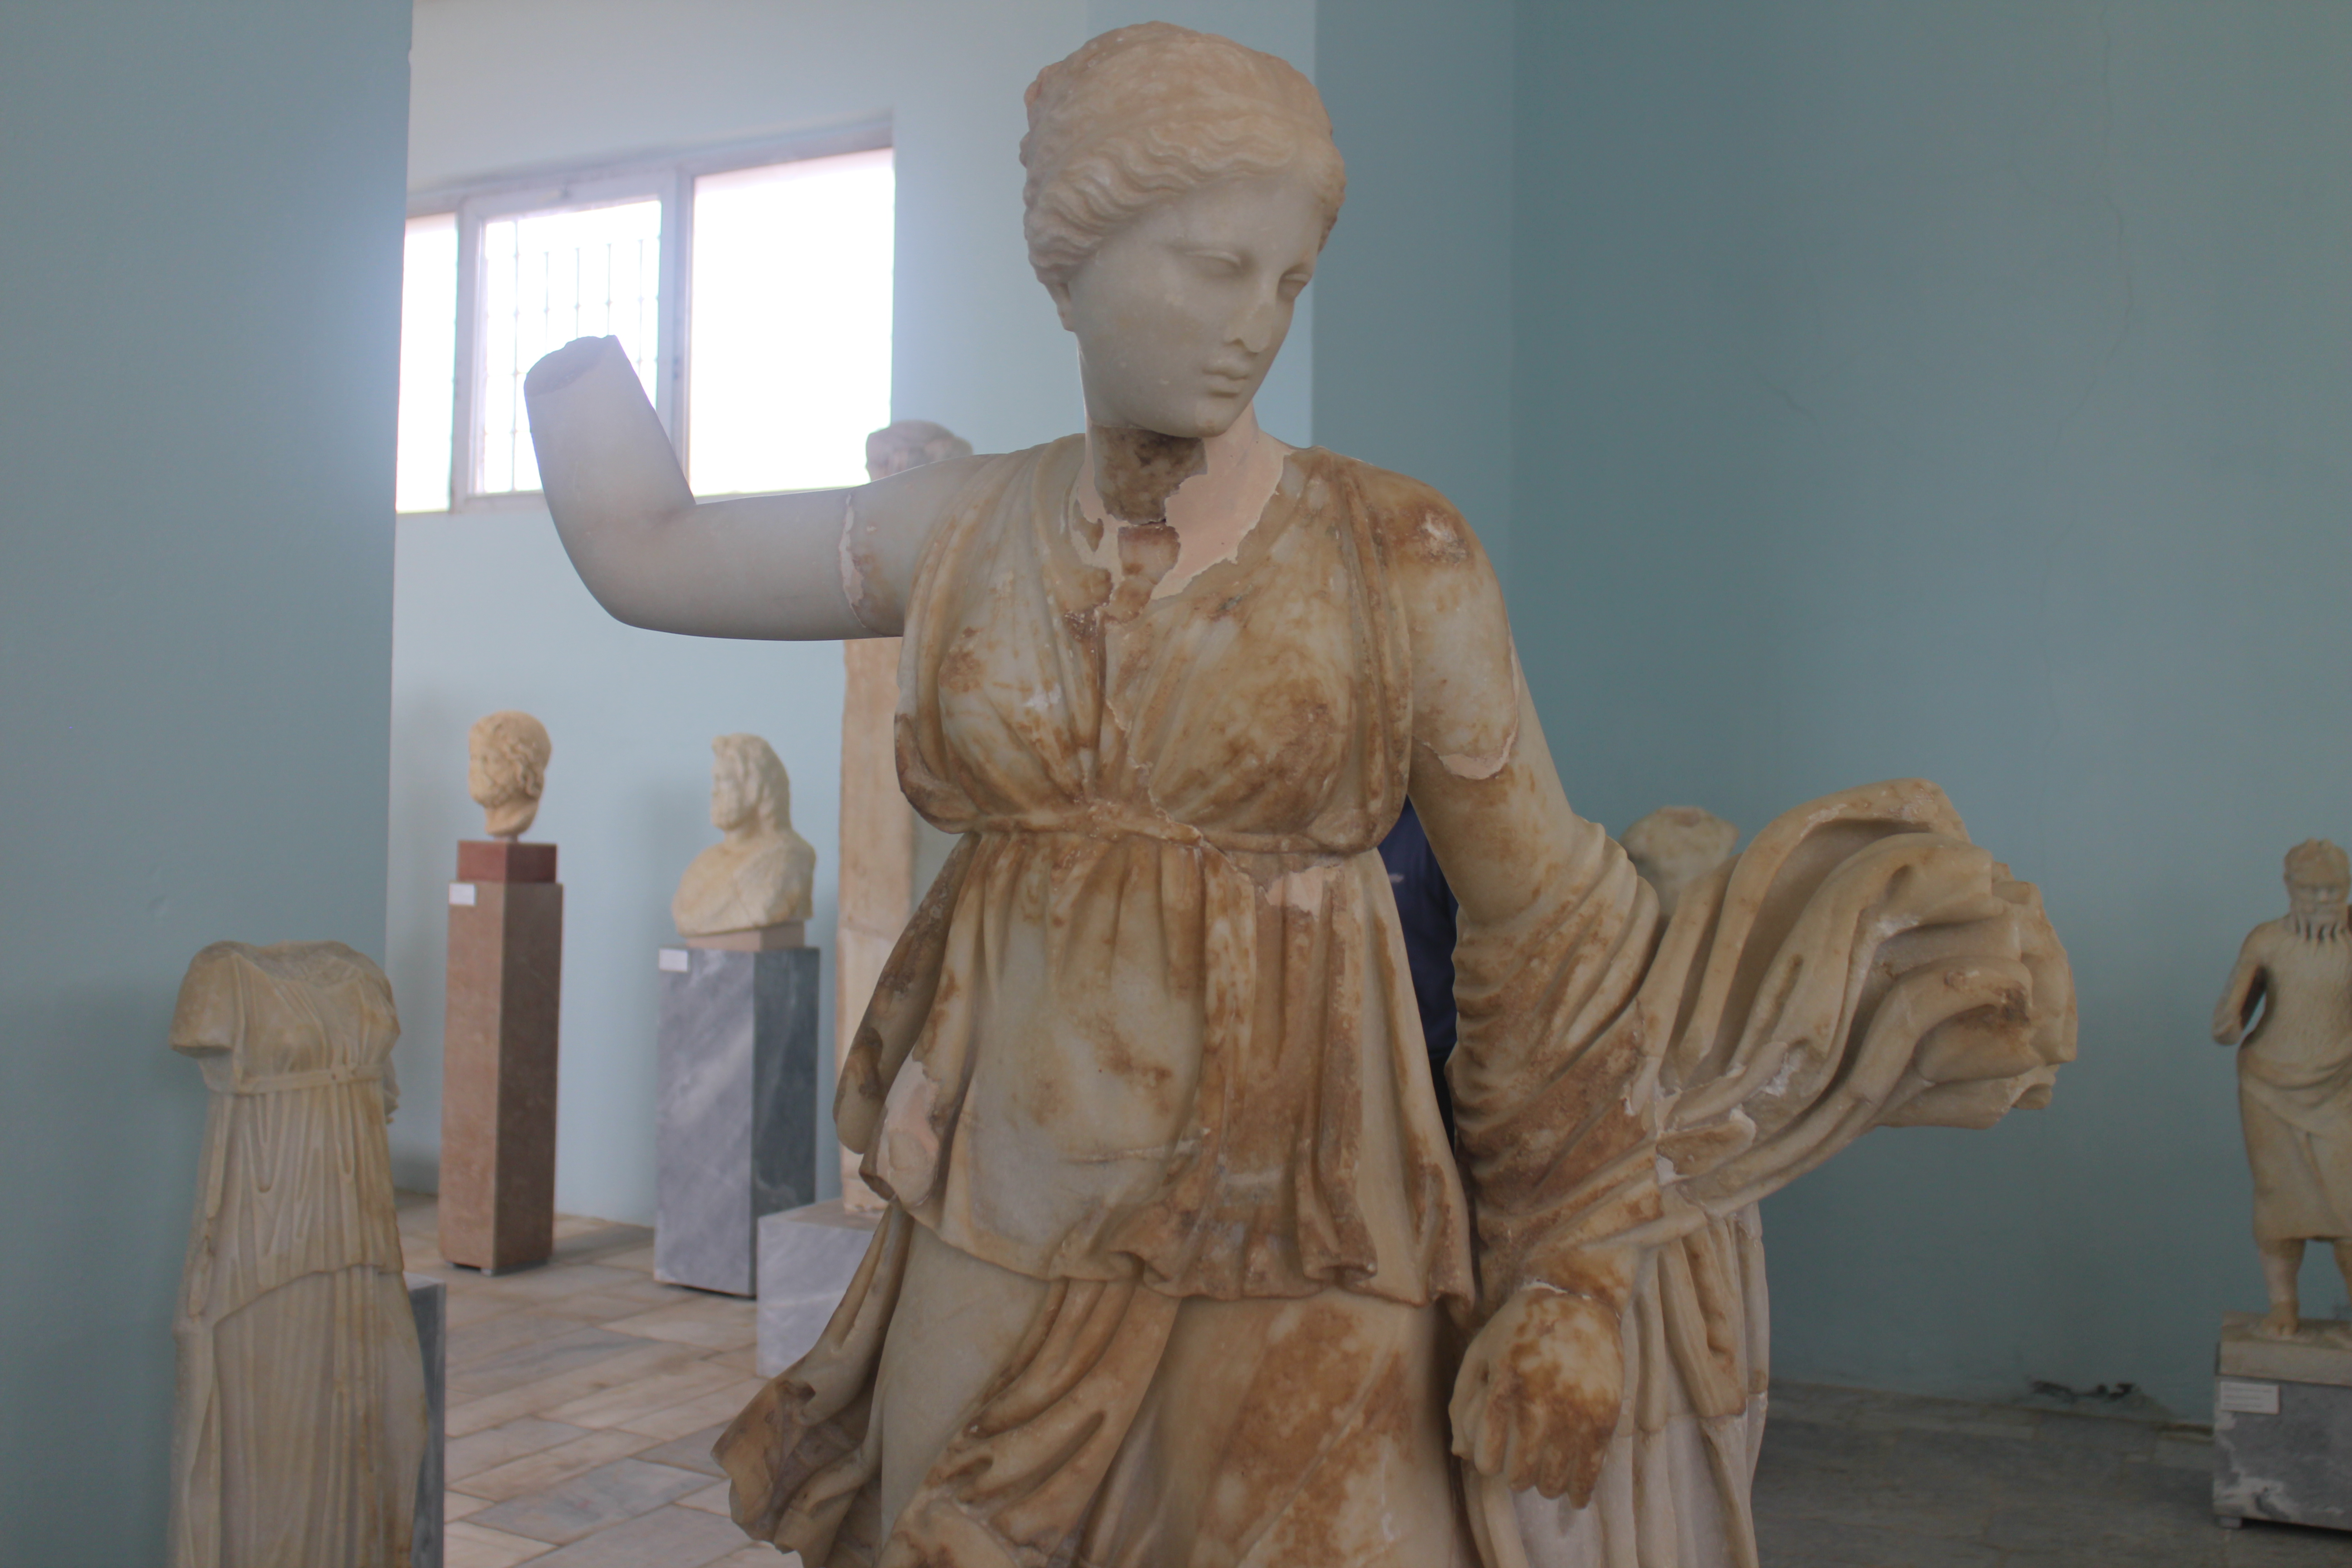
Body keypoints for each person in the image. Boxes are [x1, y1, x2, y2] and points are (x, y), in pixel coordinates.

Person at [521, 24, 2072, 1566]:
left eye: (1289, 281)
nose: (1254, 324)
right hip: (1005, 1214)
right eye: (1214, 267)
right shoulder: (964, 529)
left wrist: (1577, 1273)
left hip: (1306, 1223)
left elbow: (1546, 924)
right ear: (1069, 265)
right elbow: (647, 550)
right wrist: (569, 365)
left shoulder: (1395, 556)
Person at [2213, 838, 2352, 1342]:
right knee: (2277, 1200)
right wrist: (2230, 1018)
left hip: (2339, 1083)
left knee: (2348, 1205)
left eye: (2333, 889)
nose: (2322, 900)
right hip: (2268, 1084)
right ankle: (2283, 1305)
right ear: (2289, 887)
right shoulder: (2267, 940)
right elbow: (2227, 1022)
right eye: (2311, 890)